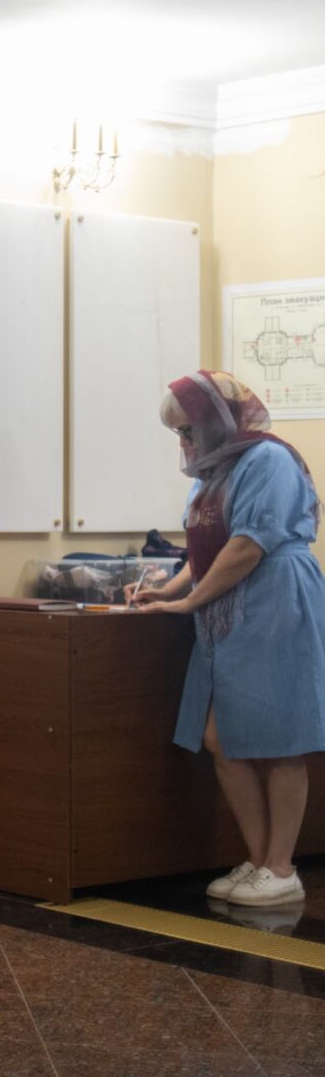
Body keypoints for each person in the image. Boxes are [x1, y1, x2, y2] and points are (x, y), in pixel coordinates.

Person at [130, 369, 325, 908]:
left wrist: (191, 600)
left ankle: (282, 866)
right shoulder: (213, 470)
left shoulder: (269, 460)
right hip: (231, 605)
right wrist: (165, 589)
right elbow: (205, 551)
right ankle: (261, 861)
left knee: (280, 736)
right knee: (220, 735)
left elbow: (247, 545)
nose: (185, 443)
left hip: (275, 599)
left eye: (189, 430)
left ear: (217, 419)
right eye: (179, 434)